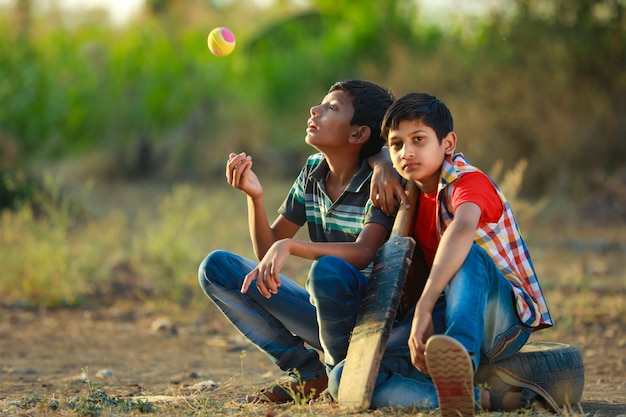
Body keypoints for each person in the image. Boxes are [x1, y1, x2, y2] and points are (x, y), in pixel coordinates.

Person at [328, 92, 554, 416]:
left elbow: (461, 231)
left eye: (419, 140)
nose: (407, 152)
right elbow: (374, 151)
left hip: (501, 319)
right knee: (345, 378)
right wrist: (382, 163)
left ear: (448, 143)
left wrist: (424, 304)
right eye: (397, 145)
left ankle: (461, 353)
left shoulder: (469, 182)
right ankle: (476, 398)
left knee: (468, 254)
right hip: (443, 314)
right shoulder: (412, 193)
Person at [198, 79, 398, 403]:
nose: (315, 110)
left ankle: (342, 375)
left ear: (358, 134)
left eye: (332, 107)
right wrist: (255, 197)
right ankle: (309, 374)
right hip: (323, 311)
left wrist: (291, 247)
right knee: (216, 268)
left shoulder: (379, 182)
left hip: (369, 320)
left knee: (329, 270)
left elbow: (363, 252)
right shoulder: (312, 172)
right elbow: (268, 250)